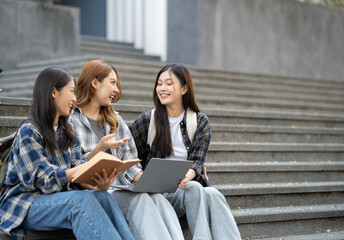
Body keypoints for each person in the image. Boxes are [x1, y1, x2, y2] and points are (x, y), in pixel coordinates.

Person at [0, 67, 134, 240]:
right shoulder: (29, 131)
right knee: (81, 202)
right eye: (71, 92)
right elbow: (44, 179)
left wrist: (96, 183)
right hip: (26, 204)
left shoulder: (68, 133)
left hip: (59, 200)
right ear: (54, 92)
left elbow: (76, 173)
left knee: (103, 198)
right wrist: (80, 170)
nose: (75, 99)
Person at [69, 60, 184, 240]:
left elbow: (129, 163)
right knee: (140, 200)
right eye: (113, 82)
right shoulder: (71, 121)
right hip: (92, 193)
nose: (116, 89)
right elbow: (72, 166)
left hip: (120, 188)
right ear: (94, 83)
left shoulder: (115, 121)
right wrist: (100, 149)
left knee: (157, 198)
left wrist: (150, 182)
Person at [129, 64, 241, 240]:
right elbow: (126, 153)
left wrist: (186, 177)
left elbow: (198, 161)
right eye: (159, 83)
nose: (162, 88)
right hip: (157, 195)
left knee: (211, 193)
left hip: (187, 190)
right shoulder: (147, 120)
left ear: (184, 89)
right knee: (196, 188)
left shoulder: (199, 121)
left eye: (168, 83)